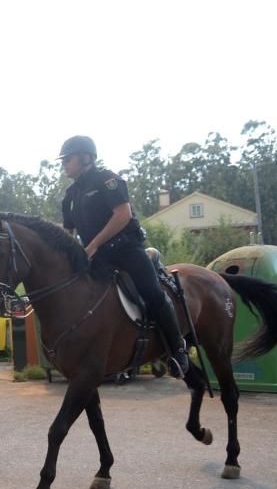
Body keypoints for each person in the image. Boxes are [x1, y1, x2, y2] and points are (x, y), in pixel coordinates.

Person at [58, 135, 189, 377]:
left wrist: (93, 245)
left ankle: (177, 349)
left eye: (68, 158)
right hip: (96, 258)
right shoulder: (69, 196)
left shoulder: (108, 180)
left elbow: (122, 215)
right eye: (63, 160)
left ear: (85, 158)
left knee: (152, 293)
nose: (64, 163)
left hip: (126, 250)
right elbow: (68, 233)